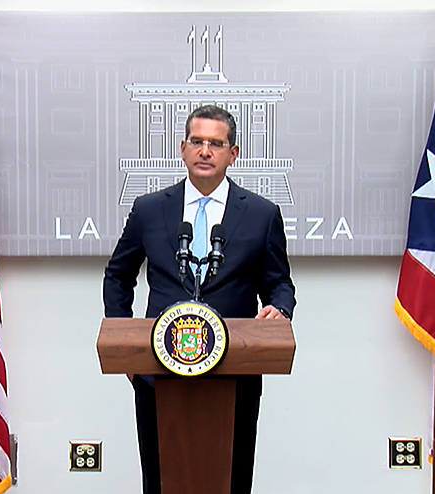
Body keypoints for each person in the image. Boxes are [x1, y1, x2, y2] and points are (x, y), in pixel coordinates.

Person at [103, 105, 296, 494]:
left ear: (233, 153)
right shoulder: (149, 209)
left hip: (235, 375)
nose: (205, 151)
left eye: (216, 143)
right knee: (159, 480)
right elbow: (118, 276)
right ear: (182, 148)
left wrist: (280, 309)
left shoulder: (261, 214)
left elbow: (280, 284)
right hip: (158, 373)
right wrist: (124, 341)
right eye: (197, 142)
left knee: (233, 477)